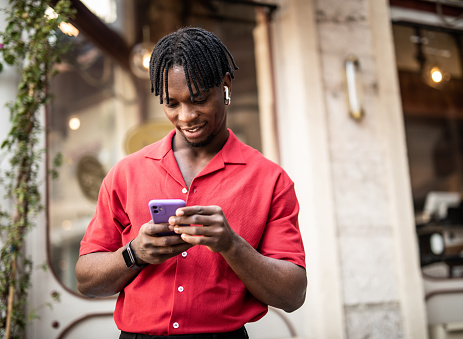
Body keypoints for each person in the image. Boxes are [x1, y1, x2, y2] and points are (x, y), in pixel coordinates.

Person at [75, 27, 307, 339]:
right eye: (173, 104)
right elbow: (87, 281)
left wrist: (230, 244)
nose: (187, 116)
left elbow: (292, 295)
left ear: (225, 86)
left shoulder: (271, 181)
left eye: (198, 99)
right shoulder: (125, 174)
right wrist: (135, 253)